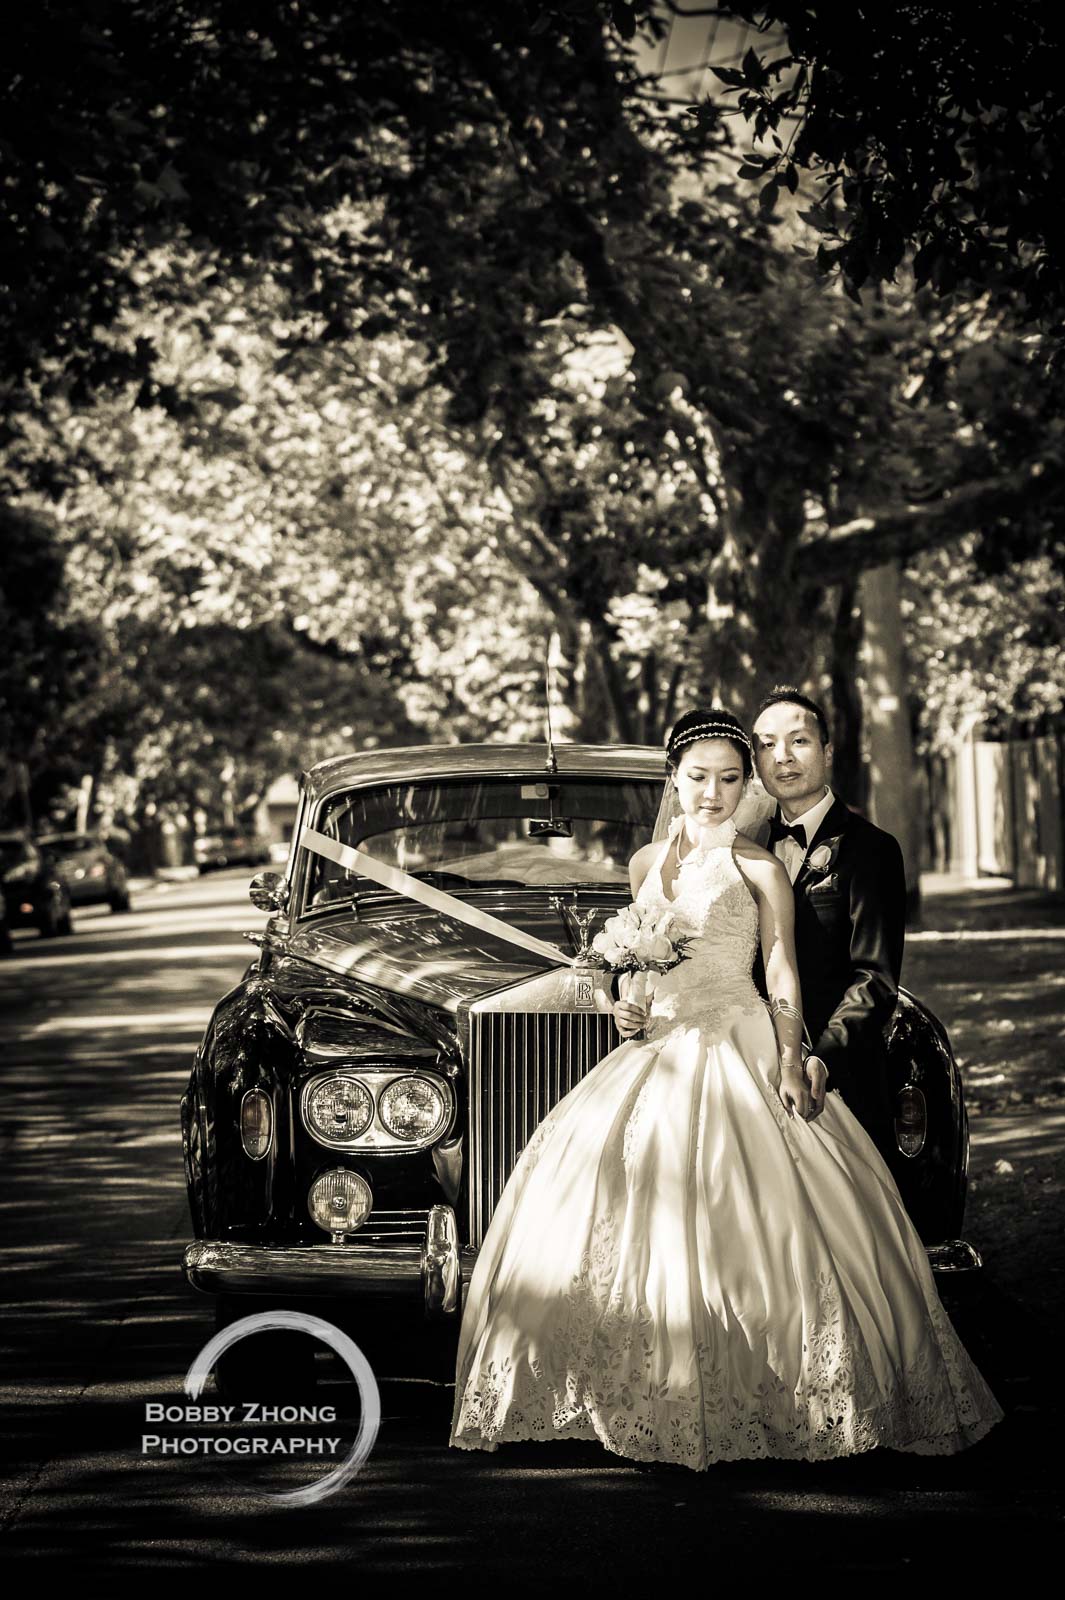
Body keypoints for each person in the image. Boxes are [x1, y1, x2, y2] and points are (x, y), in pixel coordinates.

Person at [449, 709, 1003, 1469]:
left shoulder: (760, 866)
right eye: (698, 777)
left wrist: (789, 1058)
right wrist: (625, 1000)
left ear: (746, 787)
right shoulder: (645, 863)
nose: (712, 792)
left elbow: (779, 969)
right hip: (657, 1047)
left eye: (729, 778)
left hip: (739, 1038)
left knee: (764, 1210)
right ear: (673, 780)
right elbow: (640, 964)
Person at [750, 688, 905, 1170]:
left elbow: (874, 978)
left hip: (835, 1077)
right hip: (745, 1069)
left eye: (798, 741)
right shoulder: (740, 849)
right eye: (767, 745)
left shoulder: (872, 850)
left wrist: (824, 1057)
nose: (783, 756)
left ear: (828, 752)